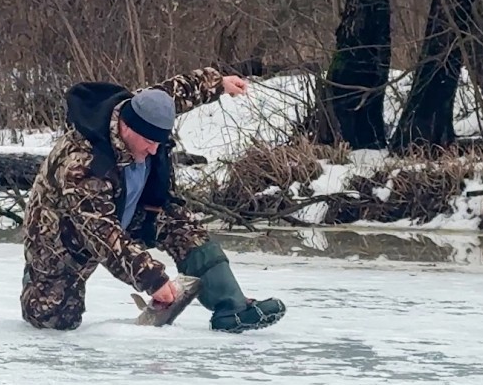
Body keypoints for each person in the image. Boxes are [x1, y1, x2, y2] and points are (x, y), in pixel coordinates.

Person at [20, 66, 286, 333]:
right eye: (148, 141)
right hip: (61, 238)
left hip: (131, 207)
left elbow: (178, 91)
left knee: (181, 226)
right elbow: (102, 234)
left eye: (160, 142)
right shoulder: (83, 164)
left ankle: (231, 305)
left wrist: (219, 84)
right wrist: (153, 279)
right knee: (55, 321)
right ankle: (38, 282)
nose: (154, 150)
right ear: (126, 126)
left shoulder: (144, 107)